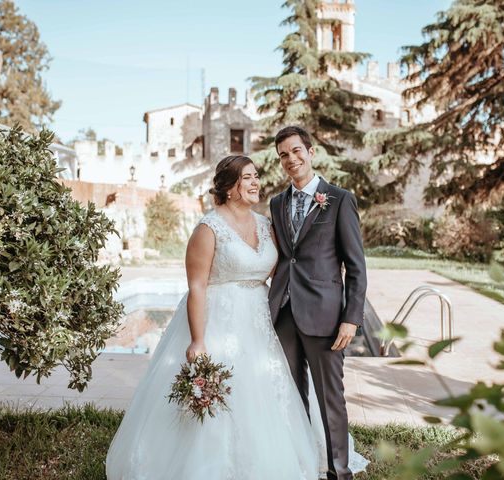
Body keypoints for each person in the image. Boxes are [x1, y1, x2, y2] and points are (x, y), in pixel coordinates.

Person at [106, 155, 367, 479]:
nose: (256, 182)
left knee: (268, 389)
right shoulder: (208, 228)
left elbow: (285, 270)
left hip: (259, 320)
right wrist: (199, 340)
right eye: (248, 177)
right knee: (224, 395)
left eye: (256, 176)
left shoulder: (264, 223)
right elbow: (198, 287)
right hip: (218, 320)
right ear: (229, 187)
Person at [268, 126, 368, 480]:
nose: (291, 159)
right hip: (284, 314)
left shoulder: (339, 199)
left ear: (311, 152)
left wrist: (351, 318)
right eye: (283, 155)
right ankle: (301, 468)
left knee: (330, 399)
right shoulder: (276, 203)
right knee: (293, 398)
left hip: (325, 316)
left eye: (296, 151)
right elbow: (285, 258)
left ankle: (339, 472)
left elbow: (355, 265)